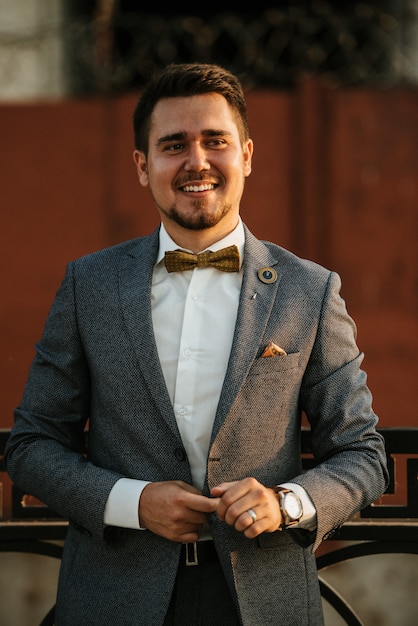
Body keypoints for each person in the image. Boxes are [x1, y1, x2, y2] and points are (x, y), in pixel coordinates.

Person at [5, 62, 388, 626]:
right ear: (143, 166)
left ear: (248, 155)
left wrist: (285, 505)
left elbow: (364, 453)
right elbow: (31, 446)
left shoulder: (310, 291)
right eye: (173, 145)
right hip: (114, 599)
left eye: (216, 141)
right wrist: (131, 503)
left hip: (263, 601)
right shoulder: (88, 286)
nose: (197, 161)